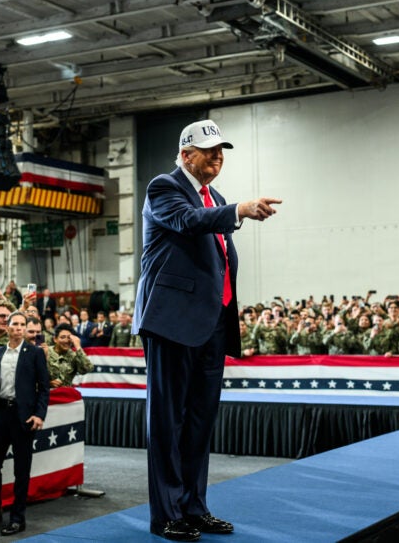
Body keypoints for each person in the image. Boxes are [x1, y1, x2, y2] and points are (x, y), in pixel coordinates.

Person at [133, 118, 280, 541]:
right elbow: (188, 221)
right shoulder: (164, 187)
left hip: (211, 324)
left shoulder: (212, 194)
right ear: (185, 155)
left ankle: (194, 507)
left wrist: (229, 209)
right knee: (167, 421)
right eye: (209, 150)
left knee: (199, 421)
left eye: (221, 151)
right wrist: (238, 210)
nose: (218, 156)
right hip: (170, 322)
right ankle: (167, 514)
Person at [0, 312, 49, 536]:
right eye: (14, 324)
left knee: (21, 470)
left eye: (22, 325)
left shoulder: (35, 353)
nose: (18, 328)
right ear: (7, 327)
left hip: (23, 417)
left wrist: (39, 415)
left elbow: (44, 387)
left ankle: (18, 518)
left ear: (26, 329)